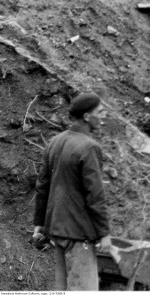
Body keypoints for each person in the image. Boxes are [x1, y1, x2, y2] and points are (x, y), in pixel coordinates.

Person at [33, 93, 111, 291]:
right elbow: (95, 195)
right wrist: (104, 234)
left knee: (62, 289)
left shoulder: (55, 142)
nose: (104, 116)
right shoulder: (89, 147)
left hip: (56, 231)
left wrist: (39, 225)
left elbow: (42, 186)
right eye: (100, 112)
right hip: (79, 234)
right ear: (86, 116)